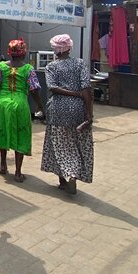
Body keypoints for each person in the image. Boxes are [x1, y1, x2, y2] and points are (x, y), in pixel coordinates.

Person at [40, 33, 94, 195]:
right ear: (69, 48)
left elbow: (52, 88)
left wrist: (73, 94)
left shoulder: (52, 67)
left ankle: (65, 179)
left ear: (57, 50)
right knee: (75, 144)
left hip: (57, 109)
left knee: (59, 144)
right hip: (78, 109)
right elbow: (86, 89)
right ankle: (72, 175)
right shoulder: (80, 64)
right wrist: (89, 114)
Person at [0, 40, 44, 183]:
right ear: (24, 52)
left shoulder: (1, 66)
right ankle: (18, 173)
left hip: (2, 102)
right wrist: (40, 106)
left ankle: (3, 164)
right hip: (20, 103)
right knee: (21, 134)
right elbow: (34, 89)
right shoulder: (28, 69)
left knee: (3, 131)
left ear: (9, 52)